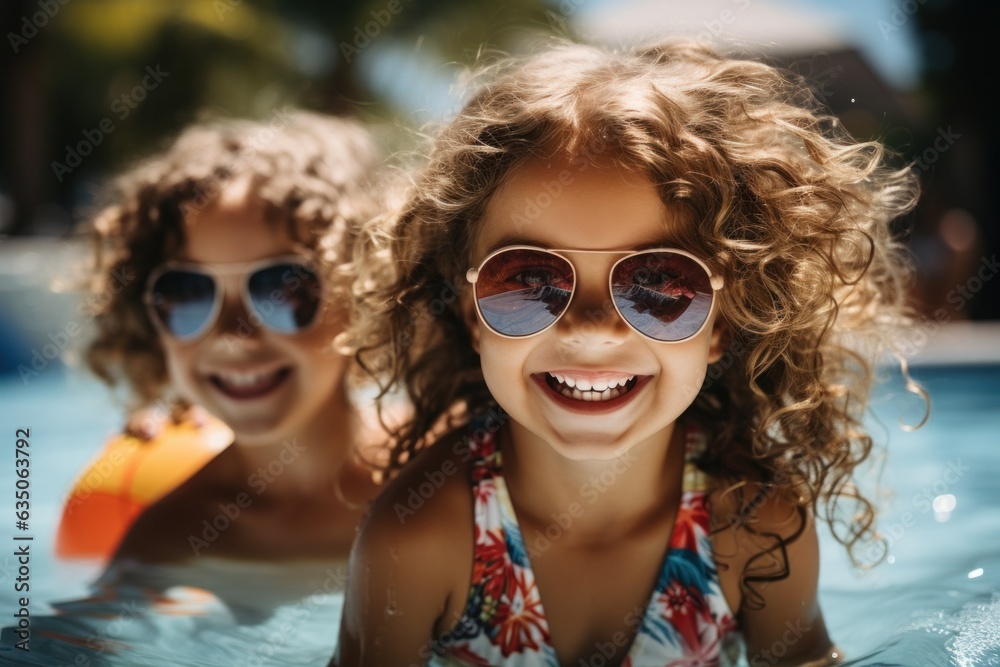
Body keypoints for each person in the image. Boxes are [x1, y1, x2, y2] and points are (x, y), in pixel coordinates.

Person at [333, 40, 921, 666]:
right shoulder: (420, 539)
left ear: (721, 321)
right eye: (529, 283)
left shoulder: (754, 525)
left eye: (661, 285)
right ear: (472, 313)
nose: (594, 330)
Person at [71, 110, 389, 564]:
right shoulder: (169, 544)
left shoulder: (446, 464)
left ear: (363, 290)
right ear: (147, 319)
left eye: (282, 288)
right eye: (186, 294)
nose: (231, 336)